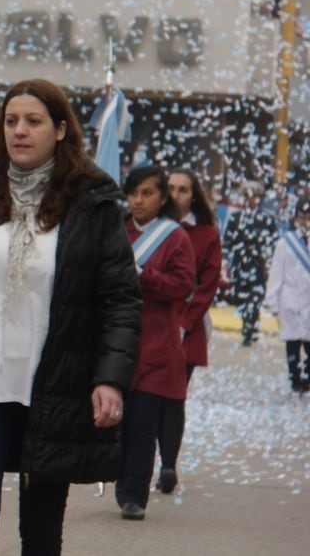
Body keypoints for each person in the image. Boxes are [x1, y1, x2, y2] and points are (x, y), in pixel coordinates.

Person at [0, 78, 141, 554]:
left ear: (59, 130)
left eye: (33, 121)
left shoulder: (92, 203)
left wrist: (110, 379)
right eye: (11, 121)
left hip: (53, 384)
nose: (19, 131)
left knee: (40, 530)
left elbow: (119, 299)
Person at [114, 164, 195, 521]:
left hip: (156, 343)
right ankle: (121, 482)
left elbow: (182, 286)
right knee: (118, 420)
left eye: (147, 193)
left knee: (143, 423)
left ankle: (134, 495)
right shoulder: (119, 229)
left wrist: (146, 277)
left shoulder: (175, 236)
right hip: (117, 339)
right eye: (133, 193)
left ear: (162, 197)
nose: (138, 200)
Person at [155, 167, 223, 494]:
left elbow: (208, 285)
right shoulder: (153, 227)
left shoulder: (207, 233)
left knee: (173, 398)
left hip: (187, 329)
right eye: (171, 188)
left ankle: (168, 463)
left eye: (183, 189)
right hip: (152, 323)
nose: (176, 195)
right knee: (146, 399)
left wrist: (184, 323)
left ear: (193, 194)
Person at [266, 197, 310, 395]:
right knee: (292, 343)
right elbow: (276, 273)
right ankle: (295, 378)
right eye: (304, 217)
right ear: (297, 218)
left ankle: (308, 377)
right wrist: (273, 302)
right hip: (290, 298)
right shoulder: (285, 243)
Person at [224, 184, 277, 345]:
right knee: (241, 299)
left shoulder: (267, 219)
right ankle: (248, 326)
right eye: (248, 196)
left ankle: (250, 330)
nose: (251, 200)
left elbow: (273, 241)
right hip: (240, 265)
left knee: (254, 299)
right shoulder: (235, 218)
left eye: (254, 196)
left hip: (258, 265)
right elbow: (228, 241)